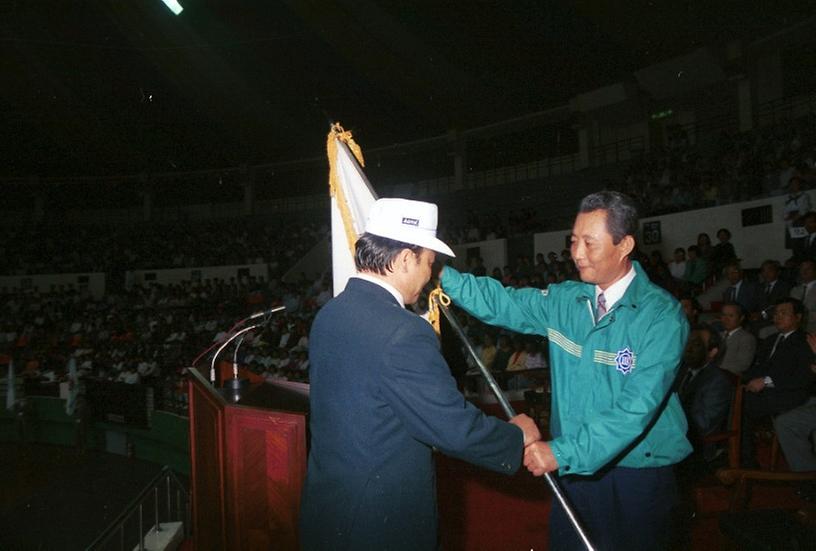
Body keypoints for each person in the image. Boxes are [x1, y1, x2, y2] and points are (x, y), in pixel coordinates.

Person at [440, 191, 691, 551]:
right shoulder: (565, 300)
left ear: (625, 245)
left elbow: (636, 408)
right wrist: (439, 272)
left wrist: (564, 453)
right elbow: (503, 303)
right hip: (575, 468)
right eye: (573, 241)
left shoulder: (660, 316)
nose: (576, 253)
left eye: (590, 243)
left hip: (636, 472)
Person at [299, 198, 539, 551]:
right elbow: (452, 428)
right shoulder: (404, 332)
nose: (430, 274)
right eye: (428, 262)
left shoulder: (330, 314)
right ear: (405, 259)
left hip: (330, 511)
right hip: (379, 526)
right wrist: (514, 438)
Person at [741, 297, 816, 467]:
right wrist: (739, 379)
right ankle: (742, 458)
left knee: (742, 405)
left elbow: (803, 376)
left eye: (784, 313)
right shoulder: (770, 340)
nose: (778, 317)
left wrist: (766, 381)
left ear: (798, 317)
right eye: (776, 314)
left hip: (792, 395)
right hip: (768, 392)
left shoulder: (806, 341)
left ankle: (745, 461)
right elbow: (759, 368)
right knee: (734, 396)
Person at [718, 302, 756, 375]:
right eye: (723, 315)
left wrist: (716, 370)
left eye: (731, 316)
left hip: (729, 377)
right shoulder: (717, 335)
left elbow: (742, 365)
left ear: (741, 318)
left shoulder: (746, 338)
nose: (726, 319)